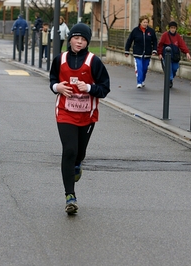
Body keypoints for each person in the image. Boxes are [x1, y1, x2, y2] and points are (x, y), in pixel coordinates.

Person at [49, 23, 110, 214]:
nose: (79, 42)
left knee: (79, 152)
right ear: (70, 39)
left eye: (83, 39)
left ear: (87, 42)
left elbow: (104, 89)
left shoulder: (94, 61)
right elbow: (52, 80)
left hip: (87, 115)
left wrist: (90, 88)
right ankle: (70, 196)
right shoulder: (60, 59)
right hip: (65, 112)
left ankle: (77, 164)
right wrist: (57, 88)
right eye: (76, 38)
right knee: (69, 150)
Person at [124, 15, 157, 89]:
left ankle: (142, 80)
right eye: (144, 22)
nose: (145, 24)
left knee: (144, 69)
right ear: (140, 22)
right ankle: (139, 82)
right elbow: (129, 40)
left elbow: (154, 41)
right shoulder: (135, 31)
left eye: (146, 22)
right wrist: (127, 50)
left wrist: (154, 50)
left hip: (147, 53)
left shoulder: (151, 31)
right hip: (138, 53)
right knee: (139, 67)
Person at [157, 21, 191, 88]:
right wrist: (160, 53)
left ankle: (171, 78)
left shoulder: (177, 36)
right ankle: (169, 80)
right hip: (167, 56)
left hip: (175, 56)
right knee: (168, 68)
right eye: (171, 28)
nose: (173, 29)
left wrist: (187, 52)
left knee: (175, 68)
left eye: (174, 28)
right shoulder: (165, 35)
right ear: (169, 28)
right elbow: (160, 45)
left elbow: (182, 45)